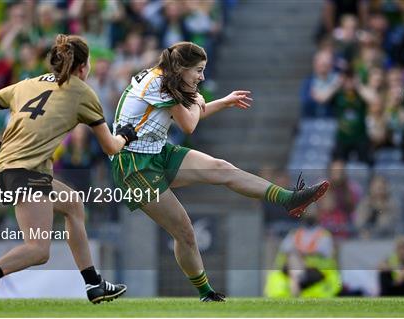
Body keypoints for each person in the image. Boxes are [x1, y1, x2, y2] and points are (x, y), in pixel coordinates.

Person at [110, 41, 330, 302]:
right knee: (184, 231)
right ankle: (205, 293)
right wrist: (199, 99)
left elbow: (189, 115)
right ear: (181, 68)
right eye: (199, 71)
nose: (202, 77)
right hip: (133, 165)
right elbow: (189, 124)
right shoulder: (161, 84)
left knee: (221, 168)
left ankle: (289, 199)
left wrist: (222, 102)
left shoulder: (166, 79)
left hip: (156, 152)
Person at [0, 34, 137, 305]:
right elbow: (111, 147)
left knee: (73, 204)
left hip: (8, 168)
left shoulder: (27, 83)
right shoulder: (82, 91)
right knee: (38, 250)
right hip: (27, 172)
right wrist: (126, 136)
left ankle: (94, 284)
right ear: (82, 67)